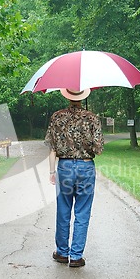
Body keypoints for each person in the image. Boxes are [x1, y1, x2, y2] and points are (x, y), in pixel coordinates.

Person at [44, 88, 104, 268]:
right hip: (85, 167)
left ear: (67, 95)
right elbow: (99, 149)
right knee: (82, 211)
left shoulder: (57, 117)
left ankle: (62, 253)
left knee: (63, 210)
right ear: (84, 96)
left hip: (64, 167)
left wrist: (51, 172)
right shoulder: (92, 118)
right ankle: (76, 256)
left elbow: (52, 147)